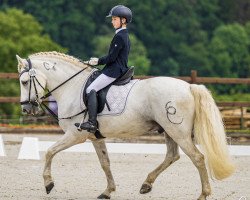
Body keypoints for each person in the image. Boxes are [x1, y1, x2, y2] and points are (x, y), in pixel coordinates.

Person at [75, 5, 132, 134]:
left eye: (115, 19)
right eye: (112, 19)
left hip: (114, 70)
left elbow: (112, 57)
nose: (112, 21)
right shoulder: (124, 35)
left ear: (123, 20)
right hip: (116, 68)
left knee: (91, 89)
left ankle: (92, 122)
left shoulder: (120, 36)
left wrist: (97, 61)